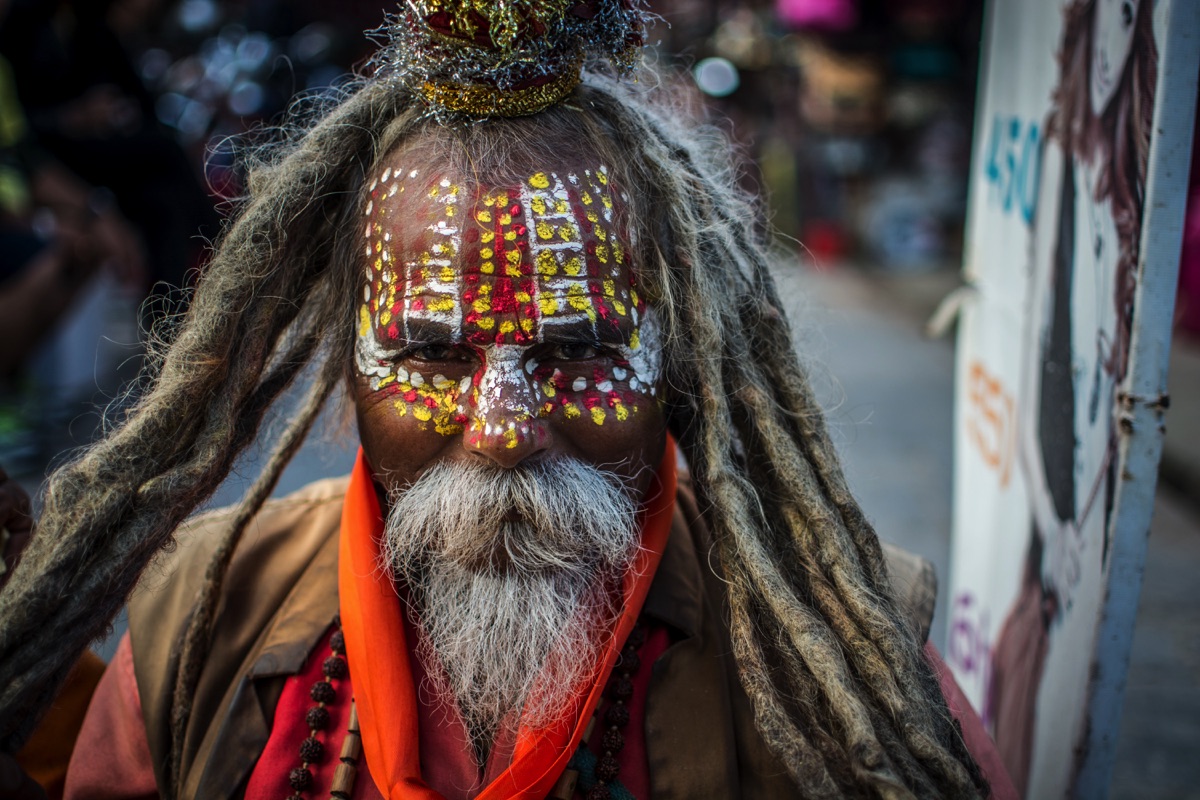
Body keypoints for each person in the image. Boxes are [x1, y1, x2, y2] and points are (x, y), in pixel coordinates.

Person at [0, 3, 1013, 798]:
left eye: (577, 350)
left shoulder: (847, 652)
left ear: (679, 360)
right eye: (435, 354)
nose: (500, 433)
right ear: (348, 370)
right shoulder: (198, 611)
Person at [993, 0, 1157, 793]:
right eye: (1107, 12)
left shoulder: (1138, 163)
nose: (1114, 36)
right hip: (1058, 506)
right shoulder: (1065, 155)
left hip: (1096, 487)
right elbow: (1041, 352)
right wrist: (1054, 516)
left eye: (1132, 15)